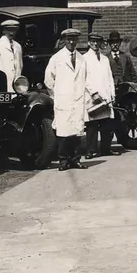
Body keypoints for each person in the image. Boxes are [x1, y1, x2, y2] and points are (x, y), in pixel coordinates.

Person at [44, 28, 88, 171]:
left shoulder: (82, 59)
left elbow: (85, 78)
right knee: (63, 132)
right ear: (64, 40)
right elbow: (48, 80)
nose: (71, 42)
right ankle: (63, 161)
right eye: (69, 39)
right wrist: (56, 95)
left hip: (78, 99)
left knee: (76, 132)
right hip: (63, 99)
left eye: (74, 39)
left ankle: (75, 159)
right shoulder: (56, 58)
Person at [83, 33, 118, 158]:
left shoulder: (104, 59)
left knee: (106, 123)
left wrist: (112, 94)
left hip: (105, 95)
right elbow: (85, 78)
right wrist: (94, 93)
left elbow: (109, 77)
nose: (95, 44)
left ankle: (106, 148)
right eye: (93, 41)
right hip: (93, 96)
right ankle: (91, 150)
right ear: (89, 43)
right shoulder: (84, 58)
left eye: (98, 41)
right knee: (92, 124)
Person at [0, 20, 23, 88]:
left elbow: (20, 65)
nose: (11, 33)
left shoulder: (18, 46)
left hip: (16, 85)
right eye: (9, 30)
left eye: (14, 30)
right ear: (4, 31)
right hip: (1, 84)